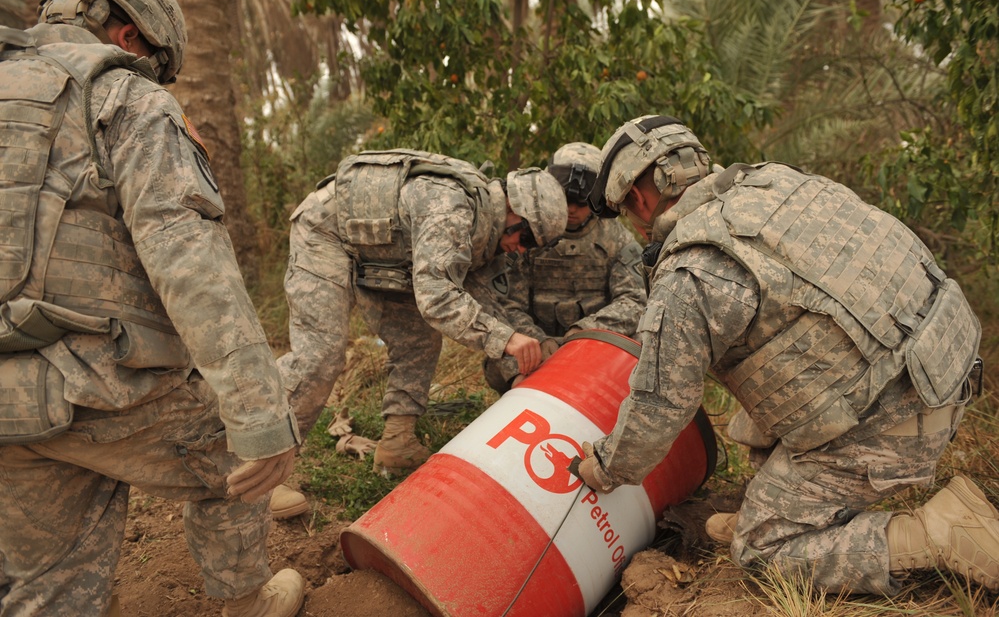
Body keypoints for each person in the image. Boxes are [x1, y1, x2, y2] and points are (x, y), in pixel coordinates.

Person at [577, 114, 996, 595]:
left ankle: (937, 533)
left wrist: (606, 467)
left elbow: (659, 406)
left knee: (758, 554)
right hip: (945, 370)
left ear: (636, 196)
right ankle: (784, 508)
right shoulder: (781, 182)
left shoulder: (690, 270)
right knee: (753, 422)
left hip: (895, 419)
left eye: (626, 212)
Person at [0, 0, 304, 615]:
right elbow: (190, 263)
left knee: (50, 585)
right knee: (234, 454)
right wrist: (257, 413)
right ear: (130, 36)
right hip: (100, 390)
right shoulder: (124, 96)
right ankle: (247, 600)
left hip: (8, 402)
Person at [275, 150, 567, 488]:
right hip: (326, 233)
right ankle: (262, 467)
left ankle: (398, 442)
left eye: (533, 247)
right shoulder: (451, 208)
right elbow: (436, 298)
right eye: (527, 237)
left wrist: (537, 345)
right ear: (513, 209)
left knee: (420, 339)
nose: (521, 249)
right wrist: (503, 340)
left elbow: (492, 302)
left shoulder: (488, 230)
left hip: (388, 257)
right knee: (321, 354)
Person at [483, 142, 646, 393]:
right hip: (535, 350)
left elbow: (635, 301)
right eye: (566, 199)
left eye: (581, 202)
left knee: (643, 345)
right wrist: (538, 341)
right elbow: (507, 306)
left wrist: (585, 332)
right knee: (500, 347)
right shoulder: (524, 236)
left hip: (594, 348)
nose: (571, 209)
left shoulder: (617, 239)